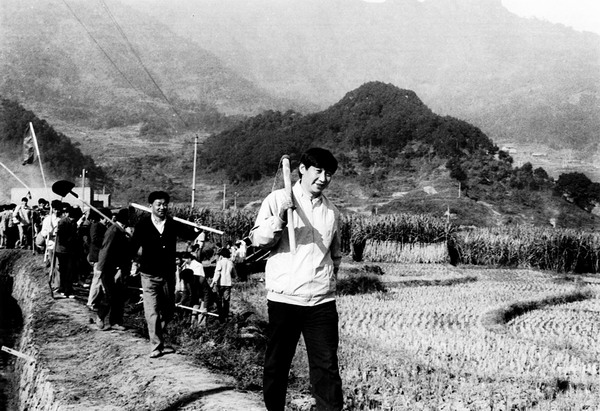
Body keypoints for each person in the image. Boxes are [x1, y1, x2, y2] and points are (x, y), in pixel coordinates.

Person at [250, 147, 343, 411]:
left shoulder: (331, 211)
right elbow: (258, 239)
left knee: (326, 367)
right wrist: (280, 215)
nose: (324, 178)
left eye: (329, 174)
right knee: (278, 363)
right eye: (318, 171)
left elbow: (334, 255)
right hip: (285, 299)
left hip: (321, 302)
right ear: (302, 169)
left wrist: (327, 282)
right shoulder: (278, 198)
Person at [130, 191, 178, 358]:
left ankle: (159, 334)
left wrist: (198, 229)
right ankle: (156, 345)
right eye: (159, 204)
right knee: (152, 311)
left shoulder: (172, 224)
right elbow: (133, 247)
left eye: (165, 204)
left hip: (168, 274)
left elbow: (191, 235)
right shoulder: (142, 225)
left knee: (169, 310)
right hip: (149, 275)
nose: (162, 207)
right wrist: (134, 262)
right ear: (151, 206)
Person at [96, 208, 131, 331]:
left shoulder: (124, 231)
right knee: (110, 294)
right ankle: (100, 316)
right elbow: (105, 250)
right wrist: (100, 269)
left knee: (119, 296)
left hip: (122, 268)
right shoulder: (113, 231)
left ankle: (116, 321)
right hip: (109, 268)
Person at [86, 208, 109, 310]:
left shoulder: (103, 226)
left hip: (100, 256)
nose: (107, 220)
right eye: (106, 218)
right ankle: (91, 302)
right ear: (102, 217)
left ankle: (96, 301)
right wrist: (106, 241)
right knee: (97, 280)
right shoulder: (96, 226)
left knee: (99, 280)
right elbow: (94, 239)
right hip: (97, 256)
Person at [211, 247, 236, 322]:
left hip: (220, 283)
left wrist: (213, 282)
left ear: (221, 255)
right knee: (226, 301)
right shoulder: (230, 262)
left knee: (219, 300)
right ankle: (226, 315)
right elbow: (234, 273)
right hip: (228, 283)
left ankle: (220, 316)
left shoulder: (220, 262)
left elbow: (217, 273)